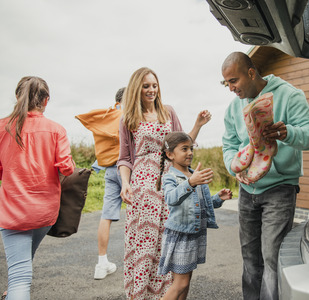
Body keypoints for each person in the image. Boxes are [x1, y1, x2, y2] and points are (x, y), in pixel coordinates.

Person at [221, 52, 309, 300]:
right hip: (247, 192)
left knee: (271, 259)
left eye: (234, 81)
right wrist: (234, 166)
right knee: (250, 260)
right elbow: (229, 145)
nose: (231, 88)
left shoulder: (289, 95)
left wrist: (287, 133)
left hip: (279, 189)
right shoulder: (233, 107)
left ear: (251, 73)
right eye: (226, 83)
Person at [117, 67, 211, 300]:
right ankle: (141, 294)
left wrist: (198, 125)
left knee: (172, 240)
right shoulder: (128, 119)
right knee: (146, 243)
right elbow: (125, 158)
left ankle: (169, 293)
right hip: (143, 188)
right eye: (146, 86)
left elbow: (182, 145)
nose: (151, 90)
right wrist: (125, 184)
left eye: (154, 85)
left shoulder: (168, 112)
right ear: (137, 89)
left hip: (171, 183)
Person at [0, 76, 74, 300]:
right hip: (45, 213)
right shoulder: (56, 129)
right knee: (23, 263)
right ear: (46, 100)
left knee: (20, 276)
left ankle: (15, 290)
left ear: (17, 96)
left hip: (13, 211)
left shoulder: (2, 127)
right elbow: (66, 168)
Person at [156, 132, 232, 300]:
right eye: (184, 149)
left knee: (186, 281)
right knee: (180, 283)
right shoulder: (170, 177)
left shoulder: (194, 174)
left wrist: (218, 199)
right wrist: (190, 182)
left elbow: (200, 204)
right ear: (170, 154)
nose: (190, 152)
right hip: (181, 235)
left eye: (191, 148)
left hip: (194, 234)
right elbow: (171, 198)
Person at [75, 87, 126, 280]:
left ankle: (101, 263)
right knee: (141, 213)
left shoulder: (105, 118)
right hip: (127, 170)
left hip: (109, 171)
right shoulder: (126, 116)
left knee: (106, 216)